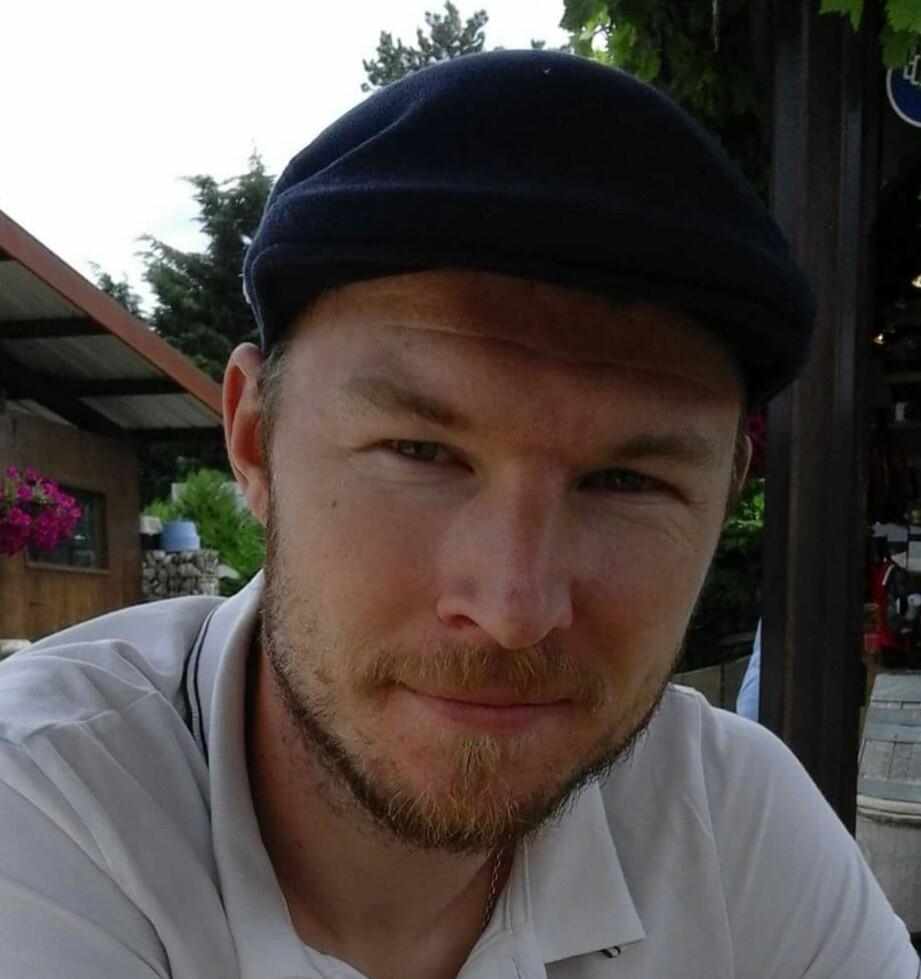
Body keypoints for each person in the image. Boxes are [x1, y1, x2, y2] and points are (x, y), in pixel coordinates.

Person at [0, 51, 917, 979]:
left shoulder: (733, 821)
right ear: (253, 440)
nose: (514, 609)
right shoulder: (39, 804)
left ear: (724, 495)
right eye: (421, 451)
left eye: (626, 481)